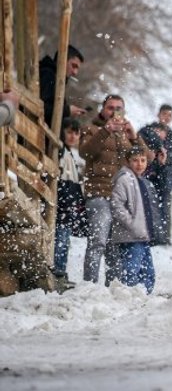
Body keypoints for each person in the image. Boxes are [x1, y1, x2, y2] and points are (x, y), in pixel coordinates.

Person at [80, 94, 150, 284]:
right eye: (110, 108)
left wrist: (135, 138)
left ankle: (113, 288)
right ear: (103, 109)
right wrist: (105, 131)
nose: (114, 112)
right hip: (99, 194)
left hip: (121, 198)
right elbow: (85, 153)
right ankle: (90, 287)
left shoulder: (127, 135)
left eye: (118, 108)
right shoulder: (91, 129)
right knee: (98, 243)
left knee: (116, 246)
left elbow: (146, 160)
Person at [110, 146, 163, 294]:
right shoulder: (124, 179)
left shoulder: (141, 181)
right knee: (131, 269)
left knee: (148, 272)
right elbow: (116, 205)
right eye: (135, 160)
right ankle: (128, 296)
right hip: (131, 235)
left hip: (142, 235)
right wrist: (131, 224)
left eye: (143, 160)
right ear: (127, 162)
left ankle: (142, 297)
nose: (139, 164)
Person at [139, 104, 172, 244]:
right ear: (158, 114)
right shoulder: (147, 131)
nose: (167, 117)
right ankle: (149, 236)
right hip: (149, 175)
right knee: (147, 207)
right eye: (164, 114)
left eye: (170, 115)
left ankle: (164, 238)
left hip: (165, 178)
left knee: (165, 209)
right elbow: (139, 147)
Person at [52, 118, 86, 288]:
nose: (73, 136)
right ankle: (57, 274)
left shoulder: (70, 154)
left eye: (76, 133)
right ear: (62, 132)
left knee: (64, 241)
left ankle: (61, 272)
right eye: (69, 132)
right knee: (60, 241)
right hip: (61, 206)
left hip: (67, 207)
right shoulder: (58, 151)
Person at [39, 45, 87, 127]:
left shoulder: (56, 79)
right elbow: (41, 107)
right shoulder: (48, 75)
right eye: (73, 66)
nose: (75, 72)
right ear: (63, 60)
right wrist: (67, 111)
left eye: (77, 68)